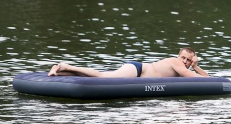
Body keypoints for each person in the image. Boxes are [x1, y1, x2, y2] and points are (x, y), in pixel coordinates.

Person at [48, 47, 209, 78]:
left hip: (138, 72)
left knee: (98, 77)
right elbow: (197, 77)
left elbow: (207, 76)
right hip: (137, 70)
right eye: (184, 57)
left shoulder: (186, 67)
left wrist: (196, 66)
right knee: (103, 77)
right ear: (178, 56)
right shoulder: (176, 62)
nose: (186, 61)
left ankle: (61, 72)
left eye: (189, 59)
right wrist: (191, 69)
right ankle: (66, 65)